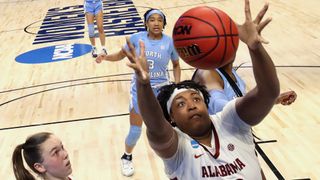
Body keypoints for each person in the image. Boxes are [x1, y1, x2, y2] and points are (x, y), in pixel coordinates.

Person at [123, 0, 280, 179]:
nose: (191, 105)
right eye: (181, 104)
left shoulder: (230, 121)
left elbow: (268, 93)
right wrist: (143, 84)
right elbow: (156, 126)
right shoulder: (176, 149)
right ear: (171, 118)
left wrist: (255, 48)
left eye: (196, 99)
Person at [96, 8, 181, 177]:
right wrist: (105, 58)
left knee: (172, 126)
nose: (156, 23)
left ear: (164, 23)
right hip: (140, 91)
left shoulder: (170, 42)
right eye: (152, 20)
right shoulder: (136, 38)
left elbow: (176, 65)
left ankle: (177, 158)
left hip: (163, 90)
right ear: (146, 23)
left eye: (159, 20)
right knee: (135, 130)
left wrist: (177, 86)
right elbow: (121, 55)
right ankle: (126, 157)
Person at [191, 59, 297, 115]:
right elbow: (221, 107)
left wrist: (273, 99)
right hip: (219, 144)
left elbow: (240, 99)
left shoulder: (230, 70)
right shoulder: (208, 73)